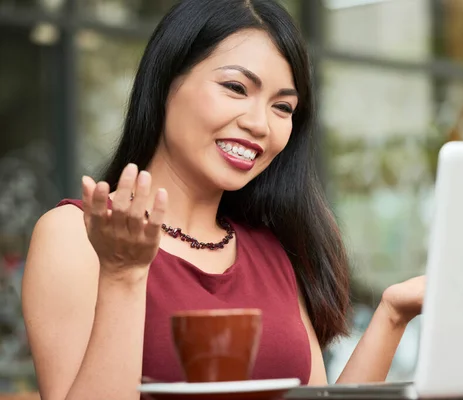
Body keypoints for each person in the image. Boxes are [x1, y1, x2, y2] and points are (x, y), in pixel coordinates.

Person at [21, 0, 425, 399]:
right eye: (236, 88)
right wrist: (124, 276)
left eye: (282, 107)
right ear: (166, 82)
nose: (258, 124)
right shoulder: (78, 235)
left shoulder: (273, 251)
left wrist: (392, 315)